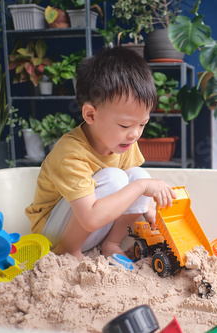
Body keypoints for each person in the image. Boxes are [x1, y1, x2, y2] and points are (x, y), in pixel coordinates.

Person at [25, 47, 176, 260]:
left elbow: (135, 187)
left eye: (143, 124)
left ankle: (111, 243)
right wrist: (142, 187)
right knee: (118, 179)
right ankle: (69, 252)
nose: (134, 134)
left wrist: (152, 216)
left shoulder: (124, 142)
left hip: (95, 228)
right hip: (53, 236)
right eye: (125, 125)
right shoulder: (70, 153)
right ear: (90, 115)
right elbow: (90, 218)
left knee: (140, 175)